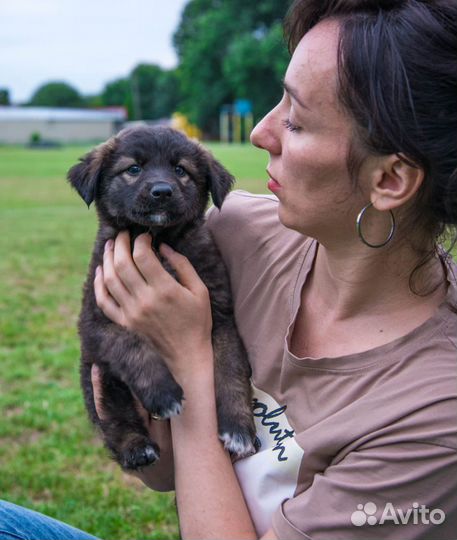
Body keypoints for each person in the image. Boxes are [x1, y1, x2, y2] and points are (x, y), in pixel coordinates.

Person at [1, 0, 456, 538]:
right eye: (276, 102)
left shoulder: (434, 415)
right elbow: (162, 473)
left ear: (390, 181)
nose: (261, 133)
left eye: (298, 119)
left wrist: (191, 359)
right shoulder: (235, 232)